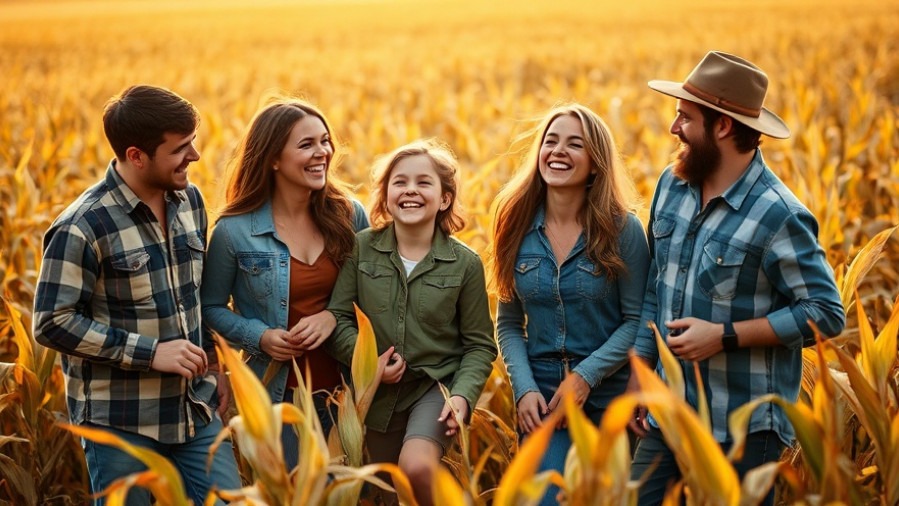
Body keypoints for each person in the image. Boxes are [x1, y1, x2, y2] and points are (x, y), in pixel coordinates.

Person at [628, 51, 846, 505]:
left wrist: (724, 336)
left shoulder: (779, 215)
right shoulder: (673, 186)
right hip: (668, 412)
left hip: (742, 431)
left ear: (723, 127)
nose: (673, 129)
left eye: (684, 118)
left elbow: (826, 314)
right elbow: (656, 288)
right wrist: (640, 375)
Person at [32, 85, 241, 505]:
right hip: (121, 426)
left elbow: (194, 297)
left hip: (194, 412)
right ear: (136, 156)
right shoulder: (82, 225)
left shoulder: (190, 201)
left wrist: (216, 366)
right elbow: (52, 322)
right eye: (181, 148)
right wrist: (151, 353)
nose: (195, 156)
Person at [489, 103, 650, 505]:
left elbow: (638, 319)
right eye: (551, 141)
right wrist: (523, 388)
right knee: (546, 500)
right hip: (544, 398)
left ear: (595, 164)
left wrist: (586, 376)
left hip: (609, 396)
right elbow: (508, 321)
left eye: (574, 144)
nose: (558, 151)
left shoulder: (622, 229)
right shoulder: (514, 222)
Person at [325, 139, 496, 506]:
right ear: (386, 195)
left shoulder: (465, 264)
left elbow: (480, 345)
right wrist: (367, 363)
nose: (411, 190)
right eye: (399, 182)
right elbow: (338, 318)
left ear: (445, 198)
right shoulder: (361, 248)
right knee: (385, 491)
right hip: (377, 395)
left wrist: (463, 395)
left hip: (435, 387)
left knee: (415, 468)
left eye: (424, 182)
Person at [201, 98, 369, 468]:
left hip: (348, 395)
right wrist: (258, 336)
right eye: (306, 144)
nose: (322, 152)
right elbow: (208, 309)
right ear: (273, 158)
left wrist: (331, 317)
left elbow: (375, 290)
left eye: (325, 141)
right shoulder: (233, 231)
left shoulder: (349, 215)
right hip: (278, 400)